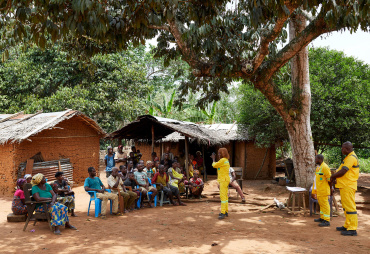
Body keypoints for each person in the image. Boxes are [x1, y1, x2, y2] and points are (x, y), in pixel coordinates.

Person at [330, 141, 359, 236]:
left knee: (350, 207)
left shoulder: (351, 158)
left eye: (342, 148)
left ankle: (352, 229)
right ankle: (347, 225)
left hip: (348, 186)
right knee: (346, 207)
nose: (342, 150)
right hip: (345, 186)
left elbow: (343, 171)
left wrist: (333, 176)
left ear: (347, 149)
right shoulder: (348, 157)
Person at [311, 154, 331, 227]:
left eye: (316, 159)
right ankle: (322, 218)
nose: (315, 160)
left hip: (324, 190)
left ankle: (326, 220)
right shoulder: (319, 167)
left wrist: (331, 188)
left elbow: (330, 179)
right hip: (319, 190)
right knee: (321, 205)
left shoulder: (325, 167)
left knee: (325, 205)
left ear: (319, 159)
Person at [211, 148, 230, 220]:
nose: (218, 154)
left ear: (223, 153)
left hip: (223, 180)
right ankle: (226, 211)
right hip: (225, 180)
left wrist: (213, 159)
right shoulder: (226, 160)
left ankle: (222, 213)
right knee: (225, 196)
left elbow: (214, 165)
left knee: (223, 197)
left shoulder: (222, 160)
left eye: (219, 153)